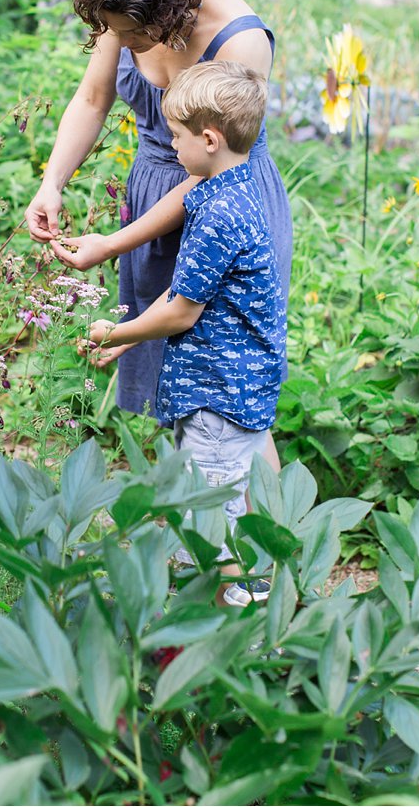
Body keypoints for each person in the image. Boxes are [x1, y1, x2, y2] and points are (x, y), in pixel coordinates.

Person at [22, 0, 291, 474]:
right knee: (176, 382)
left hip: (217, 202)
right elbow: (93, 99)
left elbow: (206, 173)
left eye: (131, 35)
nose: (122, 43)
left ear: (171, 9)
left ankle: (273, 535)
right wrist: (51, 183)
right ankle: (201, 526)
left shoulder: (240, 41)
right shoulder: (124, 7)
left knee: (228, 392)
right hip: (153, 197)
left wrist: (114, 243)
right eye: (114, 31)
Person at [87, 61, 286, 606]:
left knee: (211, 526)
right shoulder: (234, 187)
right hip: (231, 385)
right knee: (210, 511)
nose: (170, 146)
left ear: (209, 139)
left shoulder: (220, 213)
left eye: (175, 136)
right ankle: (221, 607)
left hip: (218, 397)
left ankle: (230, 629)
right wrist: (135, 336)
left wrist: (114, 332)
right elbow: (197, 296)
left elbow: (181, 312)